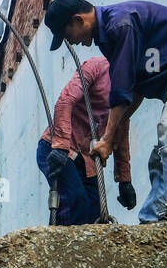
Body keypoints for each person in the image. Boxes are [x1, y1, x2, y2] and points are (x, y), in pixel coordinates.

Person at [46, 0, 167, 222]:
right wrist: (112, 134)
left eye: (68, 35)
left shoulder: (120, 25)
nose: (72, 42)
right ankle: (153, 216)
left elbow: (122, 92)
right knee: (161, 154)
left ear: (79, 20)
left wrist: (107, 140)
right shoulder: (109, 33)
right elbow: (135, 87)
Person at [37, 55, 134, 224]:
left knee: (95, 211)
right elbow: (65, 101)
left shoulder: (129, 85)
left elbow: (121, 129)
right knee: (75, 201)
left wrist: (124, 180)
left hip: (86, 160)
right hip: (56, 148)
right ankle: (61, 248)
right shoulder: (97, 66)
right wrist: (60, 146)